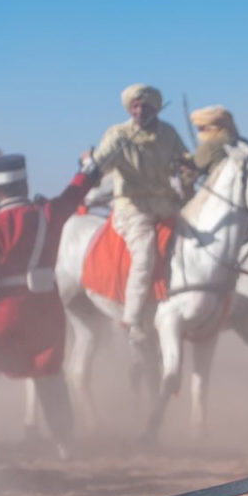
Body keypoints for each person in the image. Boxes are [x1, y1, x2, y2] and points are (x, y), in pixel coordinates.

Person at [0, 152, 101, 458]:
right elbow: (74, 194)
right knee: (49, 374)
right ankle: (64, 444)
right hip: (46, 310)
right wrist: (88, 171)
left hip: (7, 312)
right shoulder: (49, 213)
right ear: (26, 183)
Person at [91, 84, 194, 341]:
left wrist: (188, 168)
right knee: (145, 255)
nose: (139, 111)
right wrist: (98, 160)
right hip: (133, 207)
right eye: (135, 106)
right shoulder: (117, 134)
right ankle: (132, 318)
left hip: (167, 204)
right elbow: (100, 164)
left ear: (156, 108)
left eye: (145, 106)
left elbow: (184, 160)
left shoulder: (169, 133)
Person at [190, 104, 241, 176]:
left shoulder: (209, 146)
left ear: (209, 127)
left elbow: (197, 164)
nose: (199, 132)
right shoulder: (243, 142)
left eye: (200, 128)